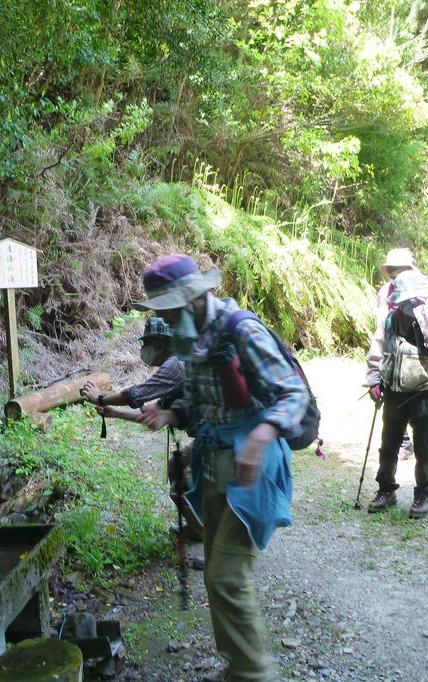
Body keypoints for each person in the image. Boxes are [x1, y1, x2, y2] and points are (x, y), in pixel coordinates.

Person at [134, 254, 308, 682]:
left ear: (195, 298)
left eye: (171, 309)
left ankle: (255, 674)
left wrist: (261, 437)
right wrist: (170, 415)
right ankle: (238, 666)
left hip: (252, 462)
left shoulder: (242, 329)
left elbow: (292, 394)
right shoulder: (190, 340)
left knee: (228, 576)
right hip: (213, 459)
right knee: (215, 573)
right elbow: (198, 404)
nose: (168, 319)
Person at [80, 317, 203, 541]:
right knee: (178, 467)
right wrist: (114, 412)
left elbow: (136, 394)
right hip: (208, 436)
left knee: (182, 485)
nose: (144, 350)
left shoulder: (177, 363)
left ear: (163, 343)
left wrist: (100, 397)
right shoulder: (176, 367)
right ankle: (200, 528)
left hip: (216, 437)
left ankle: (207, 535)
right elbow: (153, 412)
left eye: (148, 343)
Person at [365, 267, 428, 517]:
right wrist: (373, 379)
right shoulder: (390, 319)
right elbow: (378, 347)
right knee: (388, 444)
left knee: (423, 446)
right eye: (403, 300)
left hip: (425, 392)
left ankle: (423, 495)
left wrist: (423, 317)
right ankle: (386, 490)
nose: (408, 303)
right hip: (395, 390)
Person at [376, 248, 416, 461]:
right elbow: (381, 330)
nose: (395, 275)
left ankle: (410, 443)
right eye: (393, 271)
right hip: (393, 358)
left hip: (421, 363)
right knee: (392, 413)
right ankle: (404, 441)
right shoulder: (385, 292)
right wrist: (375, 370)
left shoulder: (424, 291)